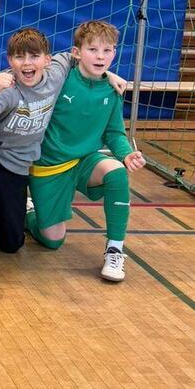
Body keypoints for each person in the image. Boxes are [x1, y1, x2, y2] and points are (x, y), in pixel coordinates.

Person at [27, 21, 146, 282]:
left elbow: (114, 132)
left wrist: (126, 154)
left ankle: (115, 249)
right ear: (77, 52)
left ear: (115, 53)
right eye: (93, 49)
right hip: (51, 166)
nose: (101, 56)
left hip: (85, 160)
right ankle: (29, 212)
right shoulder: (61, 78)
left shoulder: (112, 89)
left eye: (107, 50)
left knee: (116, 172)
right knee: (52, 241)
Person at [0, 28, 71, 254]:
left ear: (47, 60)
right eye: (19, 57)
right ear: (10, 60)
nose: (27, 63)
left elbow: (72, 58)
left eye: (34, 56)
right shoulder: (6, 91)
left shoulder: (56, 74)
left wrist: (107, 75)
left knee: (11, 244)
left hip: (18, 158)